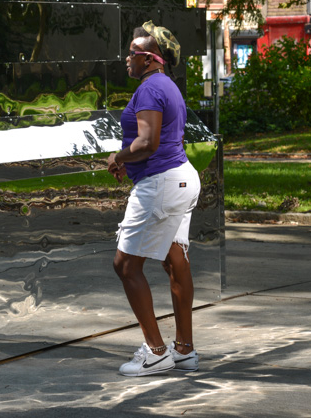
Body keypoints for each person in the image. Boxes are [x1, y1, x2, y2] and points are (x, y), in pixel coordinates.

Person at [106, 21, 202, 377]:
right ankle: (184, 350)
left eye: (132, 52)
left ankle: (156, 352)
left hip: (161, 184)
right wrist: (129, 160)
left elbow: (148, 143)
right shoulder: (168, 86)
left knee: (126, 265)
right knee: (175, 261)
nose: (126, 58)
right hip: (181, 178)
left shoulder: (149, 89)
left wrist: (119, 157)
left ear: (149, 58)